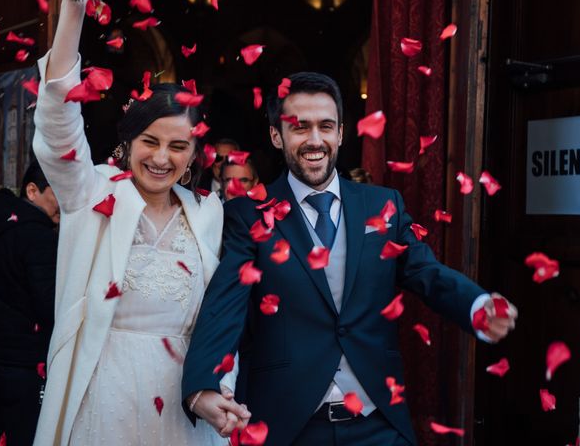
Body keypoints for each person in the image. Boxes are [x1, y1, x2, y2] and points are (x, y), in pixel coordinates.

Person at [182, 72, 518, 445]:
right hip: (289, 426)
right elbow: (225, 303)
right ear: (277, 136)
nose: (314, 140)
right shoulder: (248, 215)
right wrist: (202, 385)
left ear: (341, 133)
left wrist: (476, 304)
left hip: (379, 426)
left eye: (326, 126)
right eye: (299, 127)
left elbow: (425, 271)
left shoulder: (382, 205)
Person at [31, 0, 250, 445]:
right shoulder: (91, 194)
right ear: (127, 143)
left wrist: (217, 390)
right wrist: (73, 9)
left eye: (178, 146)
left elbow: (222, 315)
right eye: (149, 141)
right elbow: (57, 125)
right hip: (101, 389)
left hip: (182, 403)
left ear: (194, 154)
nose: (161, 157)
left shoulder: (210, 215)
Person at [0, 160, 59, 446]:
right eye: (58, 193)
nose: (64, 203)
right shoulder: (38, 236)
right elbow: (49, 303)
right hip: (22, 361)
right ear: (32, 191)